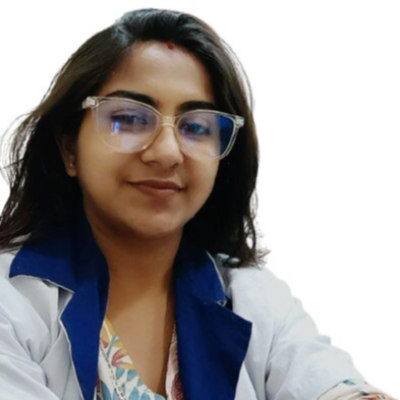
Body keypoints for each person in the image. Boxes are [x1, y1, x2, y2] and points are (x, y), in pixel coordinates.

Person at [0, 7, 396, 400]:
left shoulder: (253, 298)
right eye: (130, 118)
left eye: (195, 127)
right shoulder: (13, 299)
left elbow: (335, 387)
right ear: (69, 148)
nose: (167, 152)